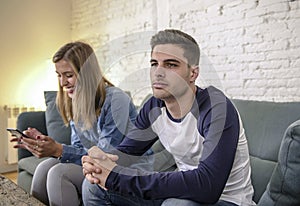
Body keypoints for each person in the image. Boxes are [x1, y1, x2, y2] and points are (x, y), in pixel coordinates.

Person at [81, 29, 256, 206]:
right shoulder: (154, 107)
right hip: (179, 196)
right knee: (93, 186)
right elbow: (125, 154)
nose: (158, 72)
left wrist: (118, 178)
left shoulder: (216, 107)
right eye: (154, 63)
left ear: (193, 74)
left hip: (226, 200)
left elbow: (207, 187)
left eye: (171, 65)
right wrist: (98, 162)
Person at [10, 41, 137, 205]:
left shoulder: (116, 100)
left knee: (59, 173)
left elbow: (106, 157)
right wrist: (44, 143)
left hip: (124, 169)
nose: (62, 83)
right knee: (43, 169)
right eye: (59, 75)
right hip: (93, 165)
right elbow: (77, 147)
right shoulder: (76, 102)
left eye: (68, 75)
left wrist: (58, 150)